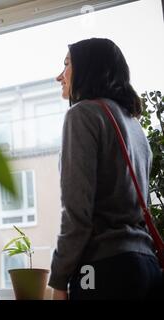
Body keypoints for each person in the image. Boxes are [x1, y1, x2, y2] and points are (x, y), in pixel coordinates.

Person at [49, 38, 163, 300]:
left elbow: (77, 213)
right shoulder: (135, 127)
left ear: (89, 68)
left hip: (103, 269)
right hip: (146, 266)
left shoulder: (82, 115)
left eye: (67, 64)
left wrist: (58, 281)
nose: (59, 76)